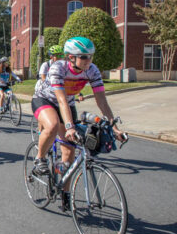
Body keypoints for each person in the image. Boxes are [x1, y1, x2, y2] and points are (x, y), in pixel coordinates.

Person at [31, 37, 126, 211]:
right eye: (84, 57)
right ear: (70, 57)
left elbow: (102, 101)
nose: (88, 61)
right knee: (52, 126)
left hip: (68, 103)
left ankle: (65, 193)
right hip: (45, 99)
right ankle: (39, 159)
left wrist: (114, 128)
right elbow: (60, 100)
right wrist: (69, 127)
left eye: (91, 56)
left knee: (69, 152)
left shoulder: (92, 70)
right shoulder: (57, 68)